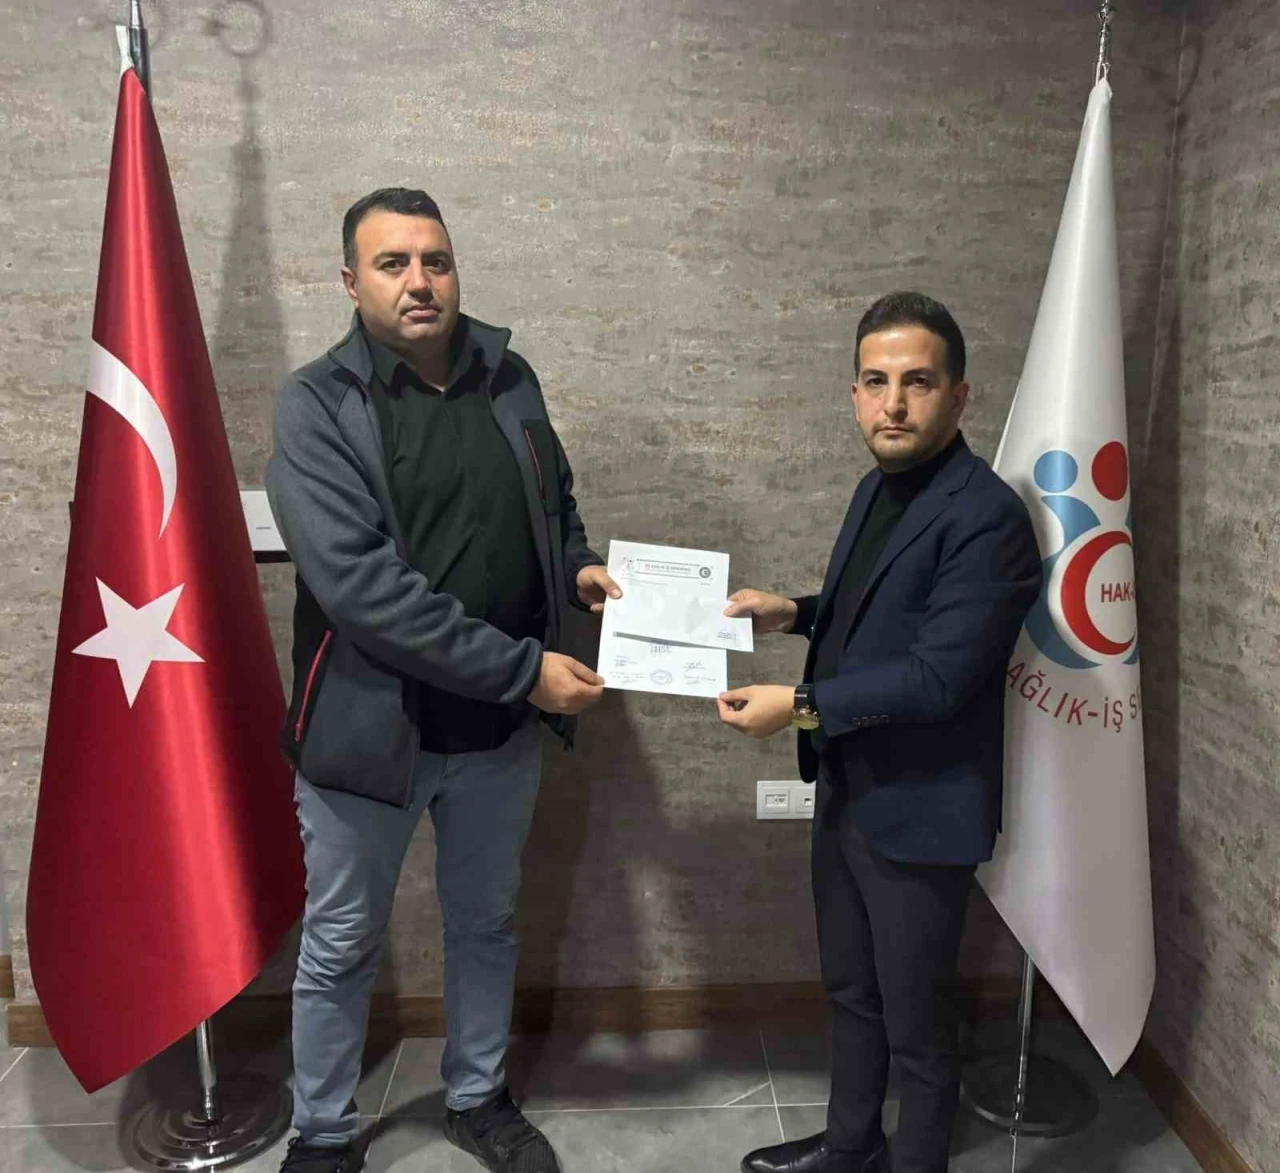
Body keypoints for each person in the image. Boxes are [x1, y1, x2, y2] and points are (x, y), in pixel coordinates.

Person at [265, 187, 619, 1173]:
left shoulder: (510, 377)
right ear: (351, 283)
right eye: (393, 264)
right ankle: (323, 1134)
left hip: (495, 734)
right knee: (342, 941)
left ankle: (477, 1096)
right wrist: (525, 671)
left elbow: (554, 501)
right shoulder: (315, 404)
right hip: (368, 734)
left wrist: (579, 567)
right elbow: (362, 590)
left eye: (436, 260)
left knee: (485, 923)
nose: (419, 281)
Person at [719, 292, 1042, 1173]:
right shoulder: (878, 488)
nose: (893, 403)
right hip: (849, 789)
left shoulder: (988, 516)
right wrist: (794, 612)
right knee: (852, 991)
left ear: (959, 396)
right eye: (875, 381)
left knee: (919, 1028)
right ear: (855, 394)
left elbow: (938, 676)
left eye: (917, 382)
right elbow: (879, 612)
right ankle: (851, 1145)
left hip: (922, 810)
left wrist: (799, 703)